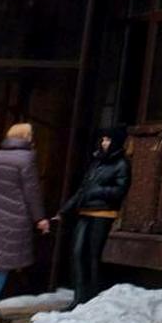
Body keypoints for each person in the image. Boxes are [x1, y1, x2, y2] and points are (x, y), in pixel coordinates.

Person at [0, 124, 48, 323]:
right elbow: (31, 191)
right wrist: (39, 218)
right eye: (31, 134)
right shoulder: (27, 158)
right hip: (16, 218)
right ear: (26, 136)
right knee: (4, 266)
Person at [57, 127, 129, 309]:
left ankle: (92, 296)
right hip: (85, 212)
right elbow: (83, 189)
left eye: (108, 140)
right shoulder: (97, 162)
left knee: (92, 255)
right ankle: (79, 296)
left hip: (103, 214)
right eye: (103, 139)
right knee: (78, 253)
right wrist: (65, 210)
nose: (104, 143)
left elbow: (120, 190)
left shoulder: (121, 164)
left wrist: (97, 191)